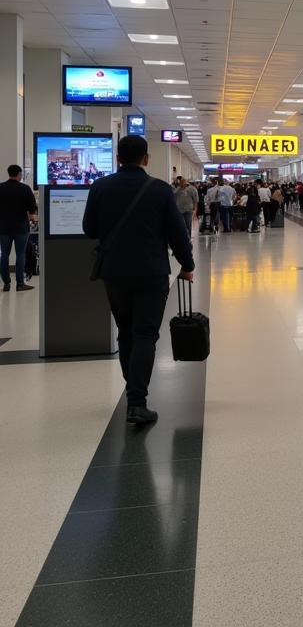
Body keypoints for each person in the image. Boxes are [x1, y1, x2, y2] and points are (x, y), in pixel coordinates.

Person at [82, 135, 194, 425]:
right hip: (151, 271)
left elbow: (89, 228)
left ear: (118, 158)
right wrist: (188, 264)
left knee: (126, 331)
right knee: (146, 334)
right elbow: (176, 232)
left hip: (114, 272)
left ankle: (133, 387)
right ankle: (137, 401)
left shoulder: (100, 186)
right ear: (146, 158)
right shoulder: (158, 189)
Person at [0, 164, 38, 292]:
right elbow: (32, 210)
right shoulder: (25, 188)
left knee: (4, 254)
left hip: (3, 227)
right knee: (20, 254)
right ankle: (20, 283)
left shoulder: (1, 187)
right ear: (19, 174)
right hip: (21, 227)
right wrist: (33, 218)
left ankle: (6, 283)